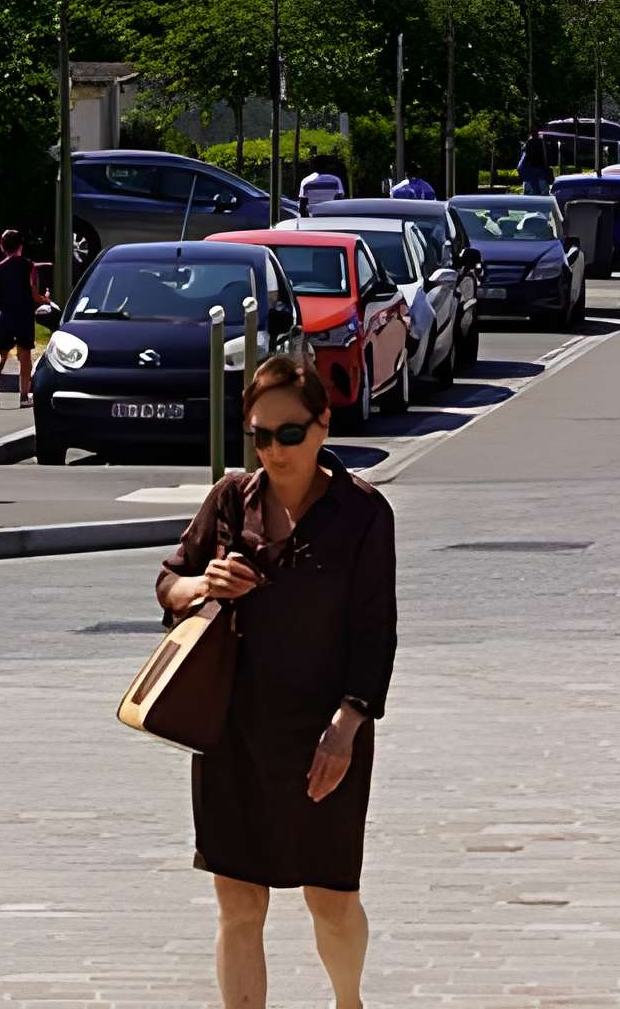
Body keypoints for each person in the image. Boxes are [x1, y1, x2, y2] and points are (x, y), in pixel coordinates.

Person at [157, 356, 398, 1009]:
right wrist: (202, 585)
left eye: (288, 434)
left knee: (331, 898)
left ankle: (348, 1002)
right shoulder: (232, 499)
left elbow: (375, 637)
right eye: (260, 436)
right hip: (230, 728)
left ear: (323, 425)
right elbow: (168, 583)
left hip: (324, 734)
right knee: (238, 903)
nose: (273, 450)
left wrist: (345, 730)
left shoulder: (364, 514)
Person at [0, 228, 38, 411]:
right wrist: (46, 298)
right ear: (21, 246)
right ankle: (24, 396)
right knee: (24, 355)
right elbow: (34, 294)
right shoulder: (30, 266)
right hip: (24, 315)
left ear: (2, 247)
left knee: (0, 354)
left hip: (5, 315)